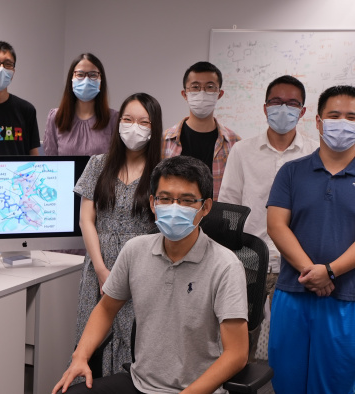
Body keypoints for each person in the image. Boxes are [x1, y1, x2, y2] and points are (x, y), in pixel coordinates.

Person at [54, 155, 248, 394]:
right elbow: (106, 308)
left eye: (187, 201)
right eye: (165, 199)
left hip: (197, 389)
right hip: (140, 383)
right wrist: (80, 356)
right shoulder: (135, 250)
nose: (174, 208)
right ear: (153, 203)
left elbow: (237, 354)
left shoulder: (226, 266)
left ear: (205, 207)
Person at [218, 75, 318, 359]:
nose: (283, 109)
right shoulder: (242, 151)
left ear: (303, 111)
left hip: (298, 264)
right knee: (240, 343)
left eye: (292, 103)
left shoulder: (314, 153)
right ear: (264, 108)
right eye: (276, 102)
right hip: (248, 260)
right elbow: (229, 208)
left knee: (292, 342)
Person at [267, 85, 355, 394]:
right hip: (294, 292)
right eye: (334, 115)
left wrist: (330, 272)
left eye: (351, 116)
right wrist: (312, 272)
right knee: (286, 380)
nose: (342, 122)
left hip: (346, 298)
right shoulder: (291, 172)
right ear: (318, 121)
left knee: (336, 383)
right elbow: (277, 226)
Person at [72, 93, 162, 381]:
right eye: (127, 119)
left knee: (132, 347)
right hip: (98, 265)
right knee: (93, 344)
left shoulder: (162, 171)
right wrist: (100, 270)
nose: (134, 127)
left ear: (154, 127)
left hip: (142, 269)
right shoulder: (98, 164)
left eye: (143, 121)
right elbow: (87, 219)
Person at [162, 61, 241, 201]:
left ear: (219, 94)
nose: (202, 92)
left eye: (210, 87)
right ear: (184, 94)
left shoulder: (235, 143)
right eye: (195, 87)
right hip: (175, 218)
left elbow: (236, 192)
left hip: (217, 220)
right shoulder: (164, 141)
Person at [43, 53, 118, 156]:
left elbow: (117, 162)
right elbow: (51, 161)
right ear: (71, 79)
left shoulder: (113, 118)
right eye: (80, 74)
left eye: (93, 75)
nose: (86, 80)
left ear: (101, 81)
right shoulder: (56, 117)